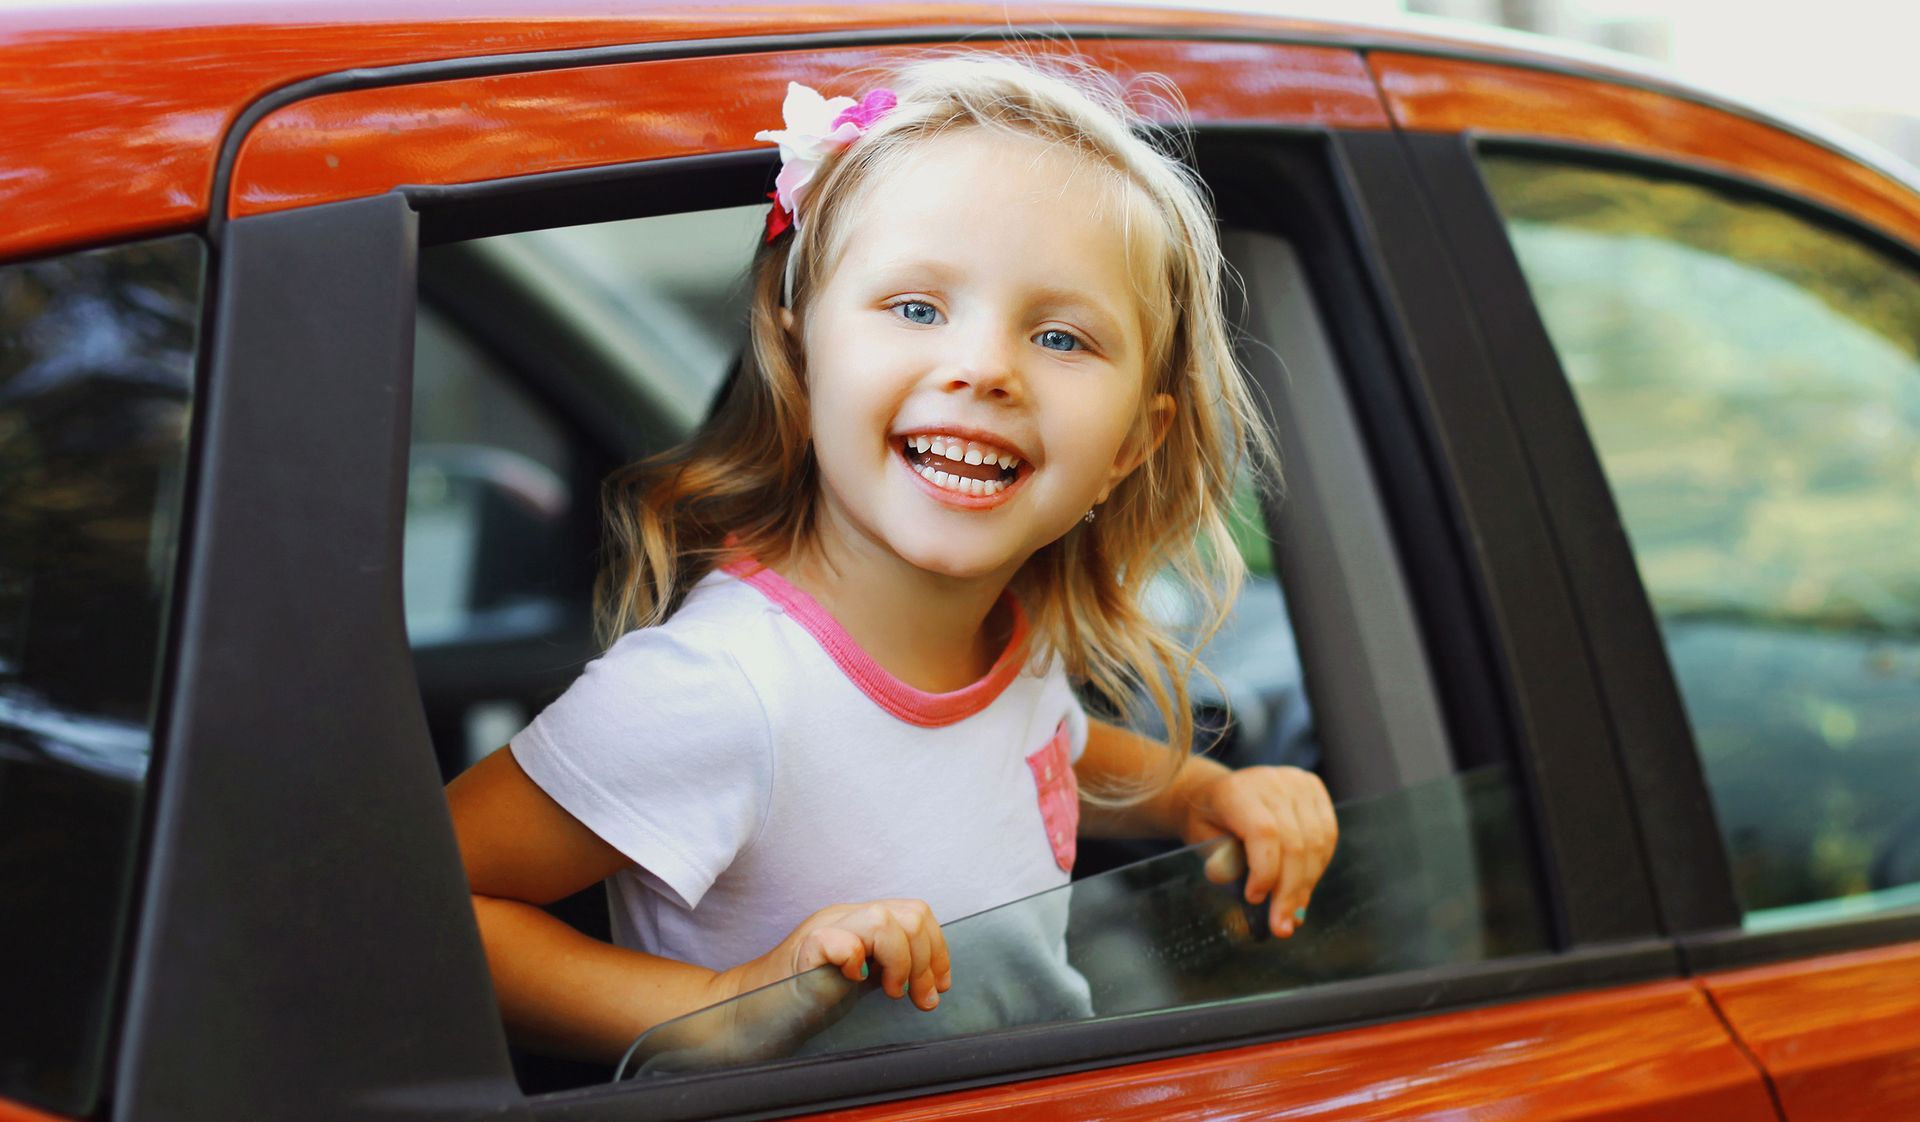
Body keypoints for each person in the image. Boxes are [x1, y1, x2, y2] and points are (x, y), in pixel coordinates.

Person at [445, 52, 1338, 1065]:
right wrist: (721, 1007)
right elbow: (425, 898)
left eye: (1060, 336)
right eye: (916, 308)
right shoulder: (721, 689)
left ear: (1132, 442)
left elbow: (1045, 752)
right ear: (801, 346)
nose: (985, 368)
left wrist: (1199, 795)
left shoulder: (1010, 641)